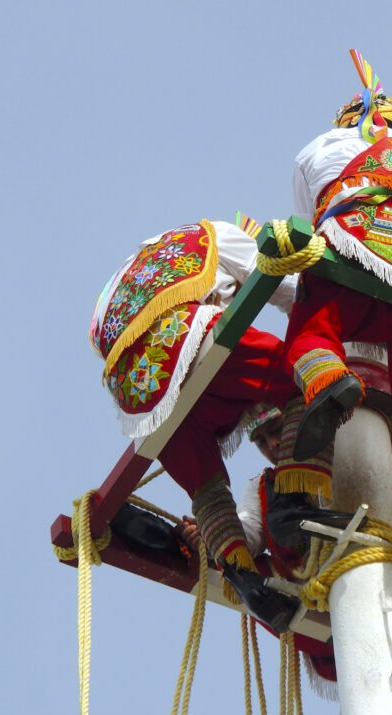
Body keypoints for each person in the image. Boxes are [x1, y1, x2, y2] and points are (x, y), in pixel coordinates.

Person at [267, 52, 392, 542]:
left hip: (356, 255)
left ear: (343, 119)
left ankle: (332, 386)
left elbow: (314, 216)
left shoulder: (323, 145)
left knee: (311, 333)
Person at [90, 218, 301, 632]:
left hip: (140, 399)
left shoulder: (120, 280)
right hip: (195, 340)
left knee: (205, 486)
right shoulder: (215, 232)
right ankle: (296, 496)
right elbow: (291, 290)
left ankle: (238, 567)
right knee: (301, 372)